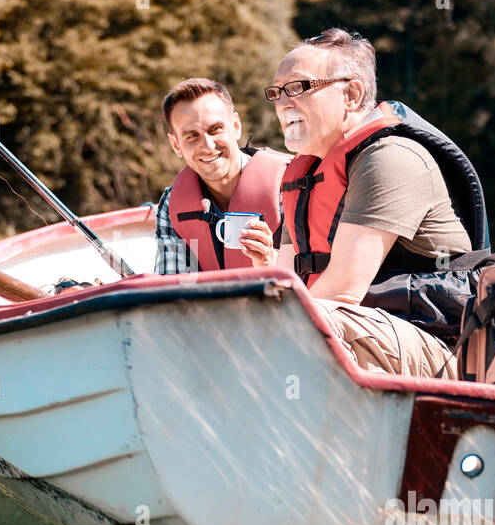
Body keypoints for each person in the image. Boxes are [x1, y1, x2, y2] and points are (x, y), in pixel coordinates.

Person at [269, 29, 474, 377]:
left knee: (309, 325)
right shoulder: (303, 180)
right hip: (360, 331)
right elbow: (288, 280)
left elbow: (342, 293)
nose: (283, 103)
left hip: (440, 345)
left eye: (298, 88)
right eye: (276, 93)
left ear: (352, 94)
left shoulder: (388, 158)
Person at [153, 77, 290, 274]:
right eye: (192, 136)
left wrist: (270, 261)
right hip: (213, 304)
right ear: (176, 145)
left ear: (235, 126)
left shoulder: (289, 185)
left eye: (215, 129)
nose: (208, 147)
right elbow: (174, 289)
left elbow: (316, 284)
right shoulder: (171, 204)